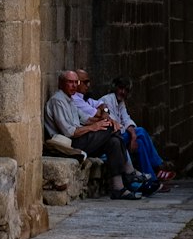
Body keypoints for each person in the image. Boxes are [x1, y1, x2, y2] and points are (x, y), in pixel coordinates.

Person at [43, 70, 143, 200]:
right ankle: (129, 172)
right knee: (110, 130)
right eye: (70, 82)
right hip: (70, 144)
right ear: (61, 84)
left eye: (75, 82)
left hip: (80, 138)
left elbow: (86, 119)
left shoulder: (70, 99)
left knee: (113, 141)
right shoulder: (58, 101)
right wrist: (95, 127)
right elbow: (69, 132)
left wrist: (107, 121)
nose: (74, 85)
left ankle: (118, 187)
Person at [98, 76, 171, 185]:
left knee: (140, 143)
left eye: (126, 90)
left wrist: (133, 136)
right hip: (112, 139)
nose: (123, 92)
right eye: (121, 88)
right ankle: (157, 166)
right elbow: (114, 126)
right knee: (140, 131)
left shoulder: (120, 103)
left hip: (121, 136)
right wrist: (133, 134)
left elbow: (127, 119)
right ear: (115, 88)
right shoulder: (106, 100)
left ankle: (151, 181)